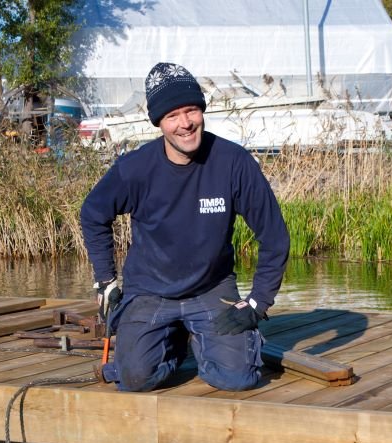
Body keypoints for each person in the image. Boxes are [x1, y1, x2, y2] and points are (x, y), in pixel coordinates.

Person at [80, 62, 290, 392]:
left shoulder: (233, 163)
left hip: (211, 288)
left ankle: (205, 336)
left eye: (191, 111)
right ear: (159, 123)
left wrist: (257, 303)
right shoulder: (134, 169)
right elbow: (93, 214)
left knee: (237, 378)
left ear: (201, 111)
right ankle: (175, 338)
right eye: (172, 116)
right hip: (149, 290)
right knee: (134, 379)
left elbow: (275, 237)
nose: (185, 124)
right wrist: (105, 280)